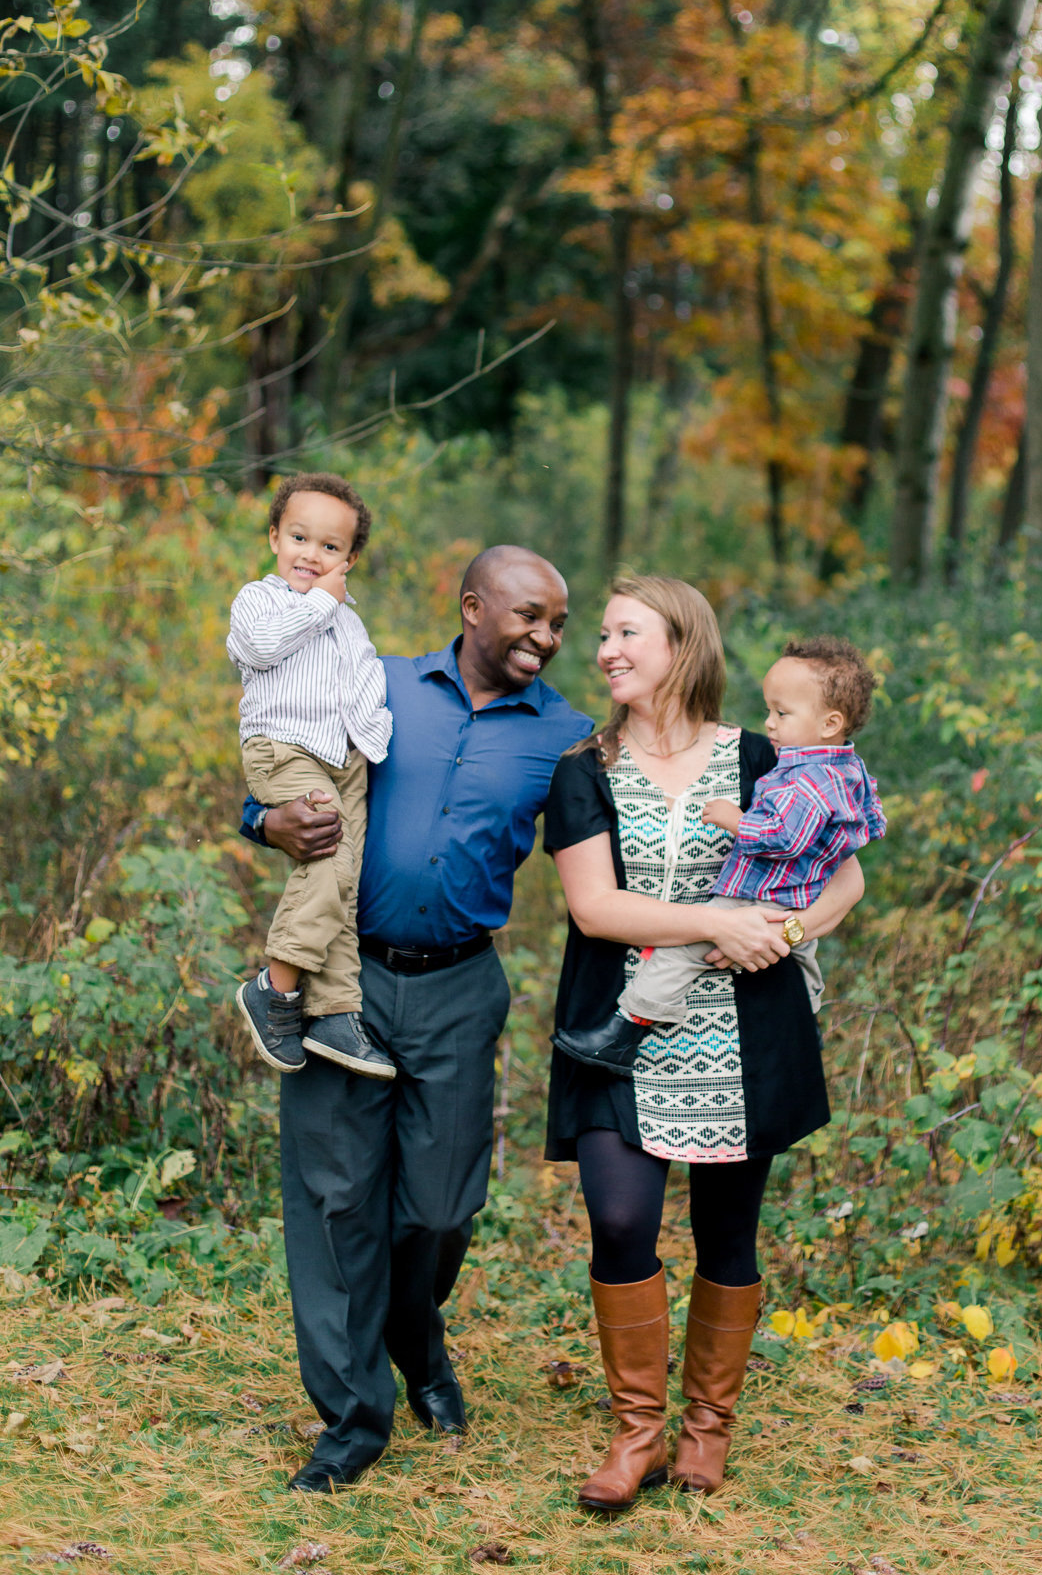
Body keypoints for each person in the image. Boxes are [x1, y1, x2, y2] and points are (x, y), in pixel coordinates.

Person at [239, 545, 590, 1493]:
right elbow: (285, 747)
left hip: (458, 987)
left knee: (439, 1206)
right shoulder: (376, 682)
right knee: (336, 1199)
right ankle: (354, 1421)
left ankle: (417, 1342)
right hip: (343, 980)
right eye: (530, 617)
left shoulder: (565, 736)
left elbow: (605, 863)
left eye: (558, 624)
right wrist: (260, 820)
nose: (547, 638)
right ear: (473, 607)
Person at [542, 576, 864, 1511]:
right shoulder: (582, 771)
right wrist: (717, 924)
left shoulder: (766, 756)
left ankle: (706, 1430)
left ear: (684, 644)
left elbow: (842, 881)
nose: (605, 649)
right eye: (601, 635)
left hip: (743, 1039)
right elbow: (595, 908)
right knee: (622, 1220)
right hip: (623, 1033)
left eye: (626, 632)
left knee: (729, 1237)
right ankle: (636, 1433)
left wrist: (788, 932)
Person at [553, 635, 885, 1075]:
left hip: (758, 891)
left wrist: (734, 818)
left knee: (680, 954)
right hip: (797, 895)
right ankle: (805, 1025)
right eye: (769, 710)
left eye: (782, 713)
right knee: (803, 955)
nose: (769, 723)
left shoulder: (806, 778)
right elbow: (866, 823)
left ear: (830, 723)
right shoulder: (845, 768)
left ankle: (626, 1029)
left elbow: (781, 837)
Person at [228, 472, 396, 1081]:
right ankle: (274, 987)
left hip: (345, 758)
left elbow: (361, 683)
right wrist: (324, 599)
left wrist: (372, 737)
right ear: (275, 536)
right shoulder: (259, 599)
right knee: (324, 856)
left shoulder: (351, 623)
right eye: (299, 537)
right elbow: (264, 647)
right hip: (286, 748)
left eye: (330, 547)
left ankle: (333, 1012)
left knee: (343, 882)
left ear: (350, 558)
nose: (312, 555)